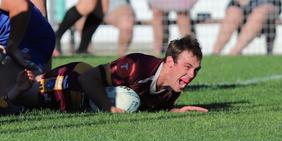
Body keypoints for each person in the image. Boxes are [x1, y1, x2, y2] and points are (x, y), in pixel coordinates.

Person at [75, 36, 207, 112]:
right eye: (187, 67)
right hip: (64, 85)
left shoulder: (172, 89)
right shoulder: (137, 66)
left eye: (196, 70)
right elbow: (87, 78)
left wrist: (177, 111)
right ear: (170, 62)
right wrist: (109, 108)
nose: (191, 75)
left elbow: (156, 109)